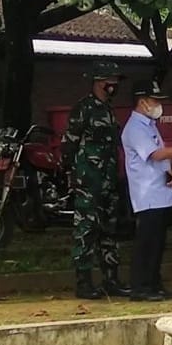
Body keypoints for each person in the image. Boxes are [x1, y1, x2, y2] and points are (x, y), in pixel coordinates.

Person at [121, 79, 172, 302]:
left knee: (157, 243)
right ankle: (140, 287)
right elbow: (154, 155)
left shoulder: (149, 125)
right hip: (147, 195)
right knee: (146, 243)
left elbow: (161, 154)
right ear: (142, 102)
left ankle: (154, 284)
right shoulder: (135, 128)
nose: (158, 104)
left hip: (161, 192)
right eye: (154, 100)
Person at [61, 59, 130, 299]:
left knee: (109, 231)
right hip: (88, 182)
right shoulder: (83, 109)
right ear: (100, 82)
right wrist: (72, 174)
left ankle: (111, 279)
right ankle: (84, 282)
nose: (115, 86)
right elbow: (69, 143)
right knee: (86, 230)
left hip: (109, 181)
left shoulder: (109, 111)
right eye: (112, 81)